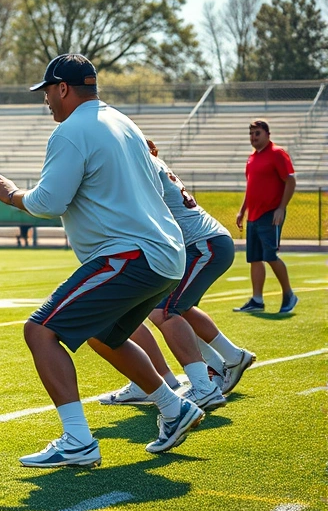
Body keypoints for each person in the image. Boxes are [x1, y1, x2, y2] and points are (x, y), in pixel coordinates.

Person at [0, 54, 202, 468]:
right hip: (164, 254)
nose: (46, 100)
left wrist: (11, 194)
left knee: (40, 332)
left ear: (62, 88)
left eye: (47, 91)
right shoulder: (123, 122)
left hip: (130, 252)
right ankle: (174, 408)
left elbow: (49, 202)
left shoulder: (71, 131)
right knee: (103, 333)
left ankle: (78, 441)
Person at [99, 139, 256, 411]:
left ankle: (203, 385)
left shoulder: (144, 167)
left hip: (202, 244)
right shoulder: (150, 163)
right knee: (171, 308)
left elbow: (143, 215)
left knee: (166, 311)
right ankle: (229, 358)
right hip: (202, 243)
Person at [234, 119, 298, 314]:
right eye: (251, 134)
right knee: (254, 258)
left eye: (257, 133)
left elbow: (290, 180)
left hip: (270, 214)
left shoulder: (277, 154)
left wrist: (281, 208)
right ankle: (257, 300)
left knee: (270, 255)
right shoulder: (252, 158)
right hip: (253, 215)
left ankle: (289, 295)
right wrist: (242, 210)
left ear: (267, 134)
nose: (253, 137)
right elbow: (251, 187)